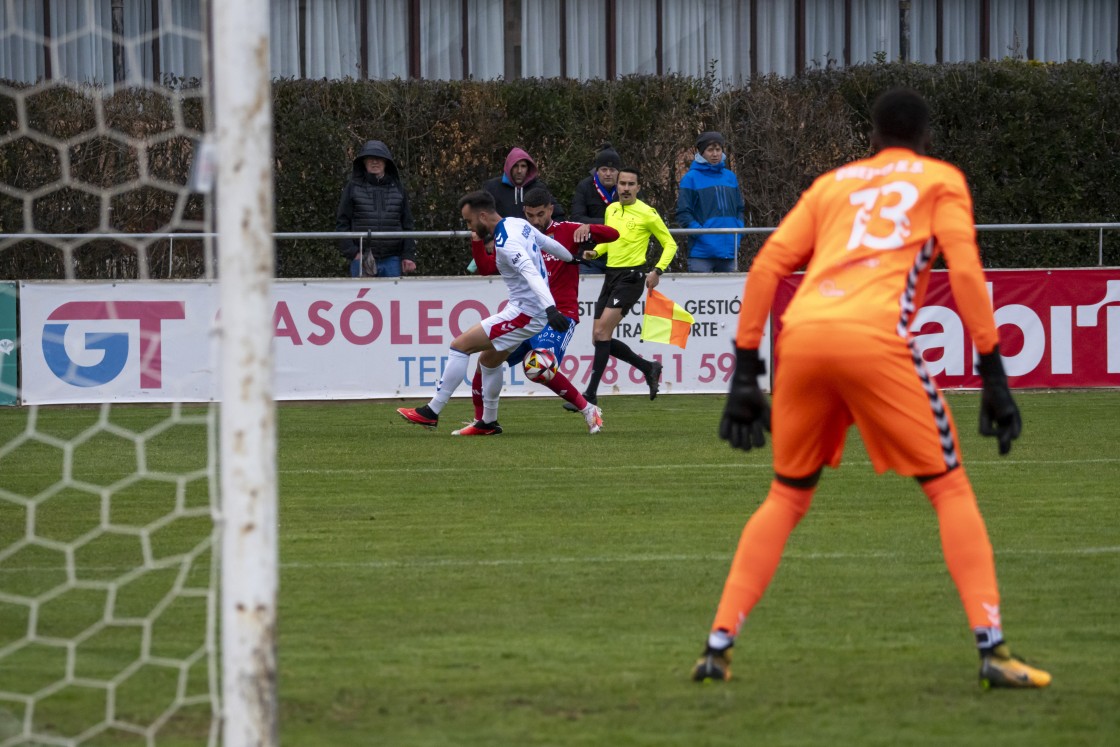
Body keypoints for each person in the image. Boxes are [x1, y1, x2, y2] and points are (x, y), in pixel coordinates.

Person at [691, 89, 1050, 691]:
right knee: (949, 486)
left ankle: (717, 645)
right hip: (877, 337)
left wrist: (745, 373)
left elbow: (765, 269)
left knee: (786, 496)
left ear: (874, 138)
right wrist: (993, 372)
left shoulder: (835, 184)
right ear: (926, 138)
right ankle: (992, 647)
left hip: (802, 339)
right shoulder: (940, 181)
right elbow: (964, 271)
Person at [397, 190, 574, 435]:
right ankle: (488, 423)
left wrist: (550, 308)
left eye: (469, 221)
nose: (469, 226)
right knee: (489, 362)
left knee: (460, 346)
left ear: (482, 216)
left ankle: (431, 411)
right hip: (527, 311)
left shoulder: (506, 242)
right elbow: (548, 244)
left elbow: (531, 273)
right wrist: (571, 257)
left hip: (526, 313)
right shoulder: (516, 224)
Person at [467, 187, 617, 434]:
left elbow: (614, 234)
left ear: (550, 209)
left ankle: (588, 409)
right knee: (485, 361)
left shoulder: (567, 230)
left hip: (559, 315)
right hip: (527, 315)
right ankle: (482, 422)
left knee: (538, 366)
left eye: (540, 214)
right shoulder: (517, 235)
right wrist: (476, 242)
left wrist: (588, 228)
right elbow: (486, 268)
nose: (535, 221)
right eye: (530, 215)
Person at [565, 166, 676, 409]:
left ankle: (590, 394)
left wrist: (657, 270)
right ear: (617, 186)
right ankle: (649, 367)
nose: (625, 188)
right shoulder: (611, 209)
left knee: (602, 334)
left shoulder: (648, 213)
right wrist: (595, 251)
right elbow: (609, 242)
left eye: (630, 184)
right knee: (598, 338)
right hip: (610, 276)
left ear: (638, 187)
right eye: (622, 183)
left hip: (631, 278)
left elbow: (670, 244)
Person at [334, 140, 417, 278]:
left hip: (392, 259)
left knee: (393, 298)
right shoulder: (352, 187)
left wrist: (408, 255)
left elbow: (407, 224)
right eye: (370, 158)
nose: (375, 162)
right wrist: (353, 253)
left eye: (379, 158)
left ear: (386, 162)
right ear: (364, 162)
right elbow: (342, 223)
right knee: (362, 300)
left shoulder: (398, 189)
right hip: (362, 259)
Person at [675, 131, 745, 273]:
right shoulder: (690, 178)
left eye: (718, 149)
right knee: (699, 295)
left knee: (730, 295)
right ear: (702, 153)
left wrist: (739, 230)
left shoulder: (730, 177)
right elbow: (683, 213)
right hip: (701, 254)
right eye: (710, 150)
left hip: (729, 252)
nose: (715, 154)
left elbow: (740, 208)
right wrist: (701, 234)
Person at [569, 143, 622, 274]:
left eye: (612, 170)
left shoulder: (626, 189)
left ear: (619, 172)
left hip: (620, 255)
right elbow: (577, 218)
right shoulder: (585, 186)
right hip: (590, 254)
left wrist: (591, 224)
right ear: (597, 170)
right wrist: (610, 224)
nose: (608, 174)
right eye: (604, 170)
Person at [483, 146, 565, 220]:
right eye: (515, 166)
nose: (519, 171)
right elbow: (480, 214)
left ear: (528, 168)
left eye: (523, 166)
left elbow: (558, 215)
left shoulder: (538, 188)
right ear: (509, 167)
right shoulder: (493, 187)